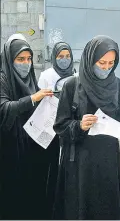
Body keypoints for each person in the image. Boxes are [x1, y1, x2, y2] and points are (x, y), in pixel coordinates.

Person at [53, 35, 120, 220]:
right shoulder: (72, 86)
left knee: (106, 206)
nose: (106, 68)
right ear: (90, 59)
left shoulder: (117, 85)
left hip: (107, 160)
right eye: (101, 62)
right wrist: (79, 125)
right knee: (81, 206)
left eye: (111, 63)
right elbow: (60, 125)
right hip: (80, 161)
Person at [0, 37, 60, 219]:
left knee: (33, 194)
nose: (26, 64)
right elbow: (4, 109)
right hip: (10, 151)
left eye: (29, 59)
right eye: (20, 59)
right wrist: (33, 98)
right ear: (10, 60)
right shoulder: (3, 79)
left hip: (32, 150)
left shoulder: (31, 81)